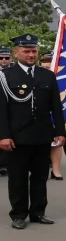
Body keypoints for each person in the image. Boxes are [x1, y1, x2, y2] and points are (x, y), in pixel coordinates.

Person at [0, 34, 66, 229]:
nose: (30, 55)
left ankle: (38, 212)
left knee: (40, 176)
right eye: (26, 51)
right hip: (17, 136)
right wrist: (3, 135)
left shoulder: (47, 75)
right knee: (18, 177)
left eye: (33, 51)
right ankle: (19, 214)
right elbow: (1, 109)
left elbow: (56, 105)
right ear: (16, 52)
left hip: (42, 134)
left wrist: (60, 131)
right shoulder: (5, 76)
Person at [39, 52, 66, 180]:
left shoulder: (57, 80)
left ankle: (56, 170)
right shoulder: (34, 78)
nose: (47, 69)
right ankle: (42, 170)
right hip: (40, 117)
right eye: (44, 67)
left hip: (56, 115)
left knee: (57, 144)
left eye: (49, 67)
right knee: (41, 146)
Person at [0, 46, 10, 177]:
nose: (3, 60)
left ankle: (3, 164)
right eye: (1, 58)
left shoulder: (13, 72)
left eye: (6, 58)